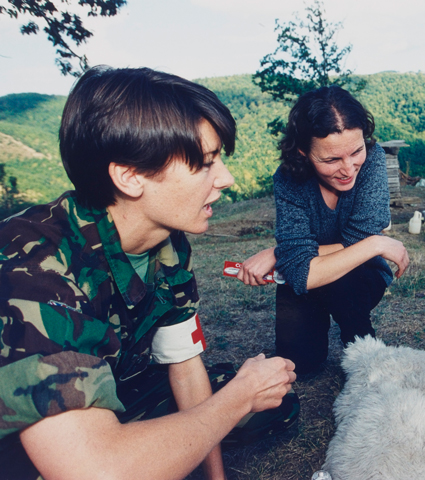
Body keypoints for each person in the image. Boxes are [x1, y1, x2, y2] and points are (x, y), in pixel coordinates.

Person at [0, 66, 297, 480]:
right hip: (27, 444)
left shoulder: (169, 242)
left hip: (111, 389)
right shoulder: (35, 265)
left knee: (270, 403)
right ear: (130, 176)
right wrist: (238, 397)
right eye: (205, 163)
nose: (225, 179)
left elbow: (185, 362)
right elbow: (94, 472)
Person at [237, 86, 409, 374]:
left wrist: (287, 255)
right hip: (306, 275)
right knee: (298, 366)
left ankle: (368, 361)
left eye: (356, 151)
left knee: (344, 277)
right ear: (304, 152)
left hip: (361, 275)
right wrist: (375, 244)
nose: (348, 168)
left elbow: (359, 238)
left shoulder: (374, 160)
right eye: (330, 160)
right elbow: (304, 273)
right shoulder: (288, 180)